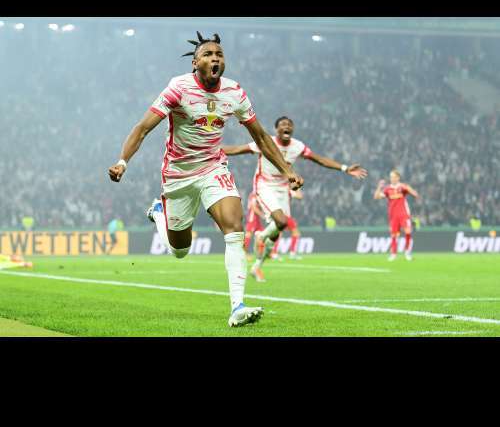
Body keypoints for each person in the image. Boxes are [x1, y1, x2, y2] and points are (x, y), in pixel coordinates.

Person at [108, 32, 304, 328]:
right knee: (180, 251)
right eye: (209, 54)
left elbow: (261, 136)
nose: (215, 59)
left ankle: (237, 306)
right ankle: (159, 213)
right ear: (195, 62)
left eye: (219, 55)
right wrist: (123, 161)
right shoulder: (178, 88)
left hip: (214, 168)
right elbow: (143, 128)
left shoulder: (234, 92)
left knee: (234, 228)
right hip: (178, 174)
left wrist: (286, 170)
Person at [222, 116, 367, 281]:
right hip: (264, 185)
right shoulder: (266, 142)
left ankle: (257, 267)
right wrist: (212, 151)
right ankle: (260, 236)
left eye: (289, 124)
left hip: (283, 189)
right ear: (276, 129)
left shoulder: (297, 146)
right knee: (281, 221)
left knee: (279, 229)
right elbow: (237, 149)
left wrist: (345, 168)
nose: (287, 126)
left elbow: (319, 159)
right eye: (283, 124)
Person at [373, 170, 420, 261]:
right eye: (391, 177)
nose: (392, 179)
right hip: (393, 215)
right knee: (394, 235)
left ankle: (407, 253)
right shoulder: (387, 189)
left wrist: (408, 188)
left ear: (398, 178)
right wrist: (379, 187)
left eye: (394, 177)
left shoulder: (402, 187)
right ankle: (393, 254)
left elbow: (415, 194)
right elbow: (376, 197)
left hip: (404, 214)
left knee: (408, 231)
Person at [243, 191, 265, 262]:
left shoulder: (261, 194)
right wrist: (262, 215)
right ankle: (243, 254)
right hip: (252, 218)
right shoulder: (253, 195)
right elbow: (253, 207)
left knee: (261, 236)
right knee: (248, 235)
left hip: (258, 219)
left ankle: (259, 254)